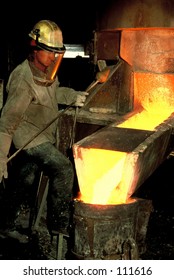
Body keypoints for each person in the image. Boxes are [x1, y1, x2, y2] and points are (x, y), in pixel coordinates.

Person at [0, 20, 88, 240]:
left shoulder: (47, 71)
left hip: (42, 134)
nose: (53, 57)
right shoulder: (23, 78)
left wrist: (72, 96)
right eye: (49, 52)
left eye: (56, 53)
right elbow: (8, 120)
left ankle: (6, 226)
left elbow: (54, 93)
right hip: (28, 137)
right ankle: (59, 225)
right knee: (63, 168)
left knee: (24, 179)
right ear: (35, 48)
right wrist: (1, 156)